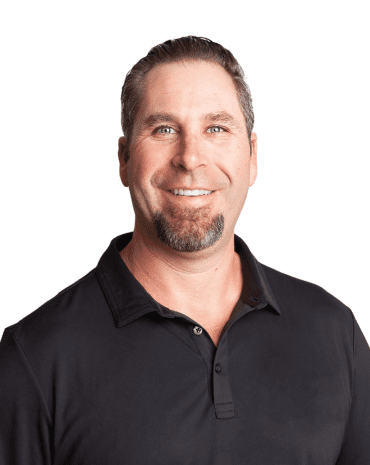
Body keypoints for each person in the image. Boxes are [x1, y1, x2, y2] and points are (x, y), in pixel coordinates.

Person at [0, 36, 369, 464]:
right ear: (123, 159)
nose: (190, 158)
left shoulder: (334, 333)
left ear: (252, 157)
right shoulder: (36, 357)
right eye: (164, 130)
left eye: (216, 128)